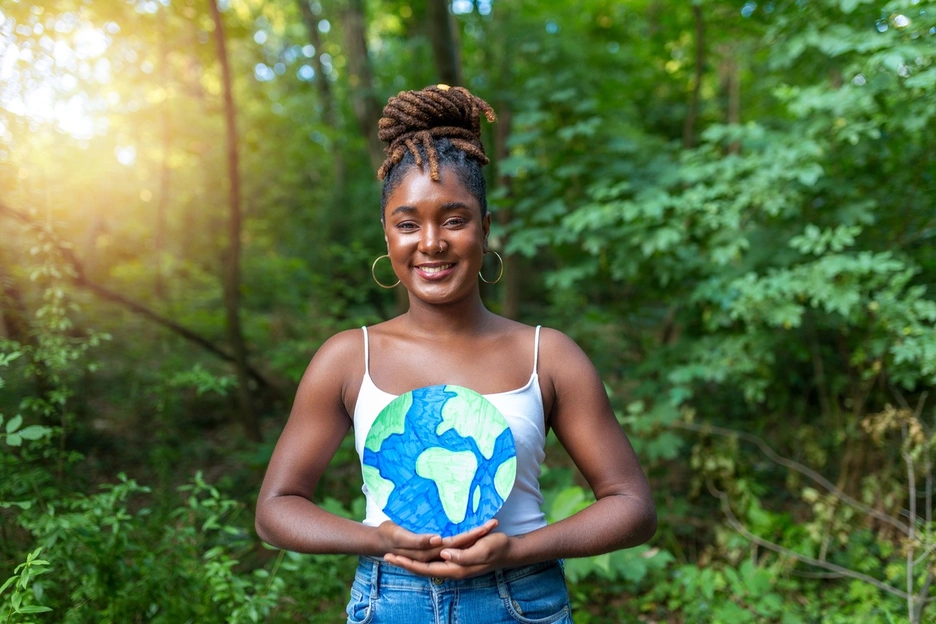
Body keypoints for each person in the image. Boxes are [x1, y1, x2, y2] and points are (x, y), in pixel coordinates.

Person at [255, 84, 656, 624]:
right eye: (406, 223)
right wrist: (375, 538)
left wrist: (517, 549)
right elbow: (275, 510)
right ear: (387, 236)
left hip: (521, 601)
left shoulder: (548, 355)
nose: (431, 242)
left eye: (453, 219)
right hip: (389, 601)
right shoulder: (349, 359)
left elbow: (632, 507)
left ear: (485, 228)